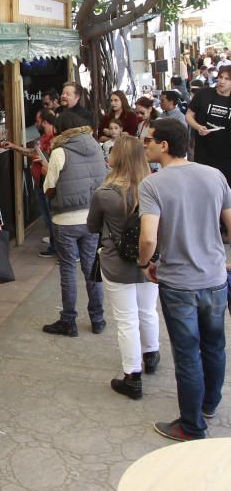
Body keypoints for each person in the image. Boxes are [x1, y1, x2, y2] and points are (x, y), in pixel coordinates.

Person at [139, 118, 231, 440]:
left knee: (188, 354)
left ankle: (192, 426)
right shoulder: (214, 176)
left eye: (149, 140)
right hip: (216, 279)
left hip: (178, 284)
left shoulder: (152, 184)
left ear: (164, 146)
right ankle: (209, 404)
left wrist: (144, 263)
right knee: (215, 345)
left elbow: (148, 239)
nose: (145, 145)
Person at [86, 135, 160, 400]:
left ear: (118, 157)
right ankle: (151, 354)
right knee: (148, 310)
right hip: (149, 260)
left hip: (117, 263)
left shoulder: (105, 193)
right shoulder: (153, 187)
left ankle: (133, 375)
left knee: (126, 319)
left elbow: (92, 226)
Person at [42, 112, 108, 337]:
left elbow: (49, 188)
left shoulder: (59, 152)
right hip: (92, 218)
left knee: (68, 270)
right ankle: (98, 318)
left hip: (65, 220)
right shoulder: (96, 146)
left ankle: (68, 321)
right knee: (92, 268)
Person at [2, 108, 57, 258]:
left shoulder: (55, 139)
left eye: (38, 120)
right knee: (48, 218)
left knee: (52, 218)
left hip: (49, 184)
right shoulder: (44, 137)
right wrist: (14, 146)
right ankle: (55, 247)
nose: (36, 123)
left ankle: (59, 249)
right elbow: (32, 152)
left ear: (45, 122)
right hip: (40, 183)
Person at [187, 67, 231, 187]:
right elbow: (189, 115)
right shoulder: (203, 94)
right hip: (203, 153)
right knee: (203, 187)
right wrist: (198, 127)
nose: (222, 81)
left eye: (227, 79)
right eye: (221, 77)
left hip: (226, 156)